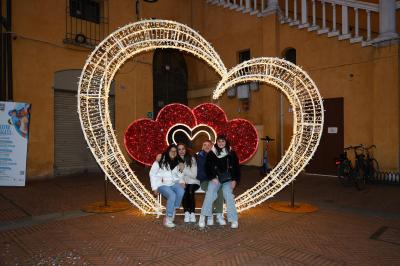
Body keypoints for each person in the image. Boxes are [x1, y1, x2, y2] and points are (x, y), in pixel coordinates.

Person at [199, 135, 240, 229]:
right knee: (210, 192)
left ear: (226, 142)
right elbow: (207, 167)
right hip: (216, 179)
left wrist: (235, 180)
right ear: (216, 142)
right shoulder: (212, 153)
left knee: (228, 194)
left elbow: (236, 168)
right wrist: (213, 177)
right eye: (219, 141)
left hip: (228, 179)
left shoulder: (231, 153)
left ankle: (233, 219)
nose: (221, 143)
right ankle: (203, 216)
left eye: (223, 141)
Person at [149, 144, 185, 228]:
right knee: (172, 195)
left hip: (173, 183)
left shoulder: (177, 161)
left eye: (175, 151)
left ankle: (173, 210)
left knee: (181, 191)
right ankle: (168, 218)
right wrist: (154, 188)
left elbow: (178, 175)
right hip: (162, 184)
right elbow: (152, 174)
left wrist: (181, 178)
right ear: (168, 151)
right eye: (171, 151)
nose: (173, 152)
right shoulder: (160, 160)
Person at [197, 140, 226, 226]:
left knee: (220, 191)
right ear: (202, 147)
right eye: (204, 145)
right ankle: (208, 215)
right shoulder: (200, 156)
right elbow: (200, 173)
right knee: (213, 192)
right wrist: (211, 177)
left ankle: (217, 215)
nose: (206, 147)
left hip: (216, 180)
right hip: (205, 181)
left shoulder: (217, 155)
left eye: (208, 145)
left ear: (212, 146)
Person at [176, 143, 200, 223]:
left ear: (186, 150)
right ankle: (186, 212)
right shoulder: (176, 160)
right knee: (183, 190)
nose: (181, 151)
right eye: (179, 149)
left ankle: (192, 212)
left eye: (183, 149)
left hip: (194, 182)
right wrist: (182, 181)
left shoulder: (191, 159)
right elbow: (176, 175)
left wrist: (184, 168)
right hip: (183, 182)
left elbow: (194, 175)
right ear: (177, 151)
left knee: (189, 190)